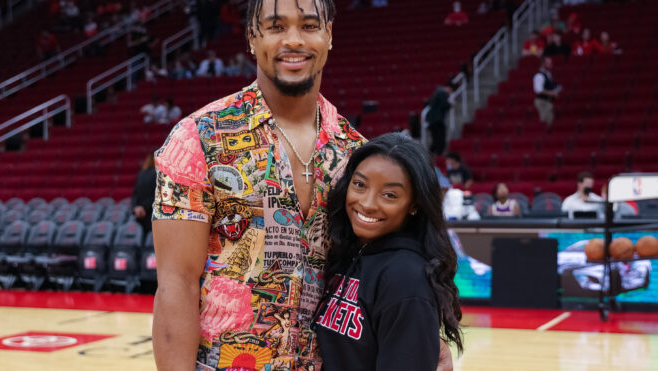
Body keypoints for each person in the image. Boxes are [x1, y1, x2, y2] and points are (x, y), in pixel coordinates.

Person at [152, 1, 457, 370]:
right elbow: (176, 284)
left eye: (309, 26)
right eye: (276, 26)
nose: (293, 40)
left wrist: (421, 329)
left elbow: (386, 266)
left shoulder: (355, 154)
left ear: (329, 34)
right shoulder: (197, 140)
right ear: (252, 36)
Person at [314, 133, 462, 370]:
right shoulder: (349, 253)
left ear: (414, 204)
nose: (368, 203)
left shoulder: (407, 279)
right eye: (360, 185)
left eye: (389, 195)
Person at [426, 82, 456, 155]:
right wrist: (451, 104)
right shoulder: (442, 93)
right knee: (440, 139)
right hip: (437, 120)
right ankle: (437, 154)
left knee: (436, 139)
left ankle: (431, 154)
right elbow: (444, 105)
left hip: (433, 121)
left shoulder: (437, 93)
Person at [131, 152, 157, 234]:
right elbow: (156, 195)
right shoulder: (157, 174)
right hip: (151, 213)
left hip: (139, 214)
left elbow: (135, 195)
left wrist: (136, 208)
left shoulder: (141, 174)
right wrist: (145, 208)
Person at [533, 56, 560, 126]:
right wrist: (551, 93)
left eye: (550, 63)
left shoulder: (548, 74)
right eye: (548, 63)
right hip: (542, 101)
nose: (551, 65)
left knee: (550, 120)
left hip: (548, 101)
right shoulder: (539, 75)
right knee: (544, 121)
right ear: (543, 64)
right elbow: (538, 90)